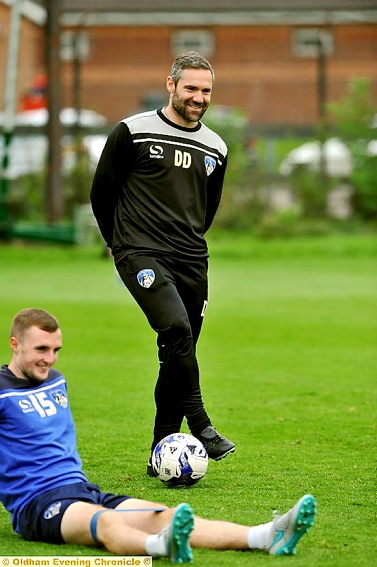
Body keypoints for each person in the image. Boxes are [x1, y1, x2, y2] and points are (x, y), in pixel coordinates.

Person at [0, 308, 317, 562]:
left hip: (83, 491)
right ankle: (159, 547)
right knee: (108, 522)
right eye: (41, 349)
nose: (50, 358)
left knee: (162, 514)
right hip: (38, 505)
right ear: (15, 344)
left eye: (56, 350)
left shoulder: (55, 380)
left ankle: (266, 536)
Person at [90, 51, 235, 474]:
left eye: (206, 90)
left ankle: (161, 454)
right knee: (176, 328)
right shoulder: (132, 132)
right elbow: (102, 194)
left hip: (192, 259)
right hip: (140, 251)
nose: (198, 97)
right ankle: (203, 424)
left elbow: (208, 209)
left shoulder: (216, 146)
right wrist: (119, 245)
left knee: (176, 352)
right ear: (170, 85)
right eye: (190, 88)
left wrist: (188, 240)